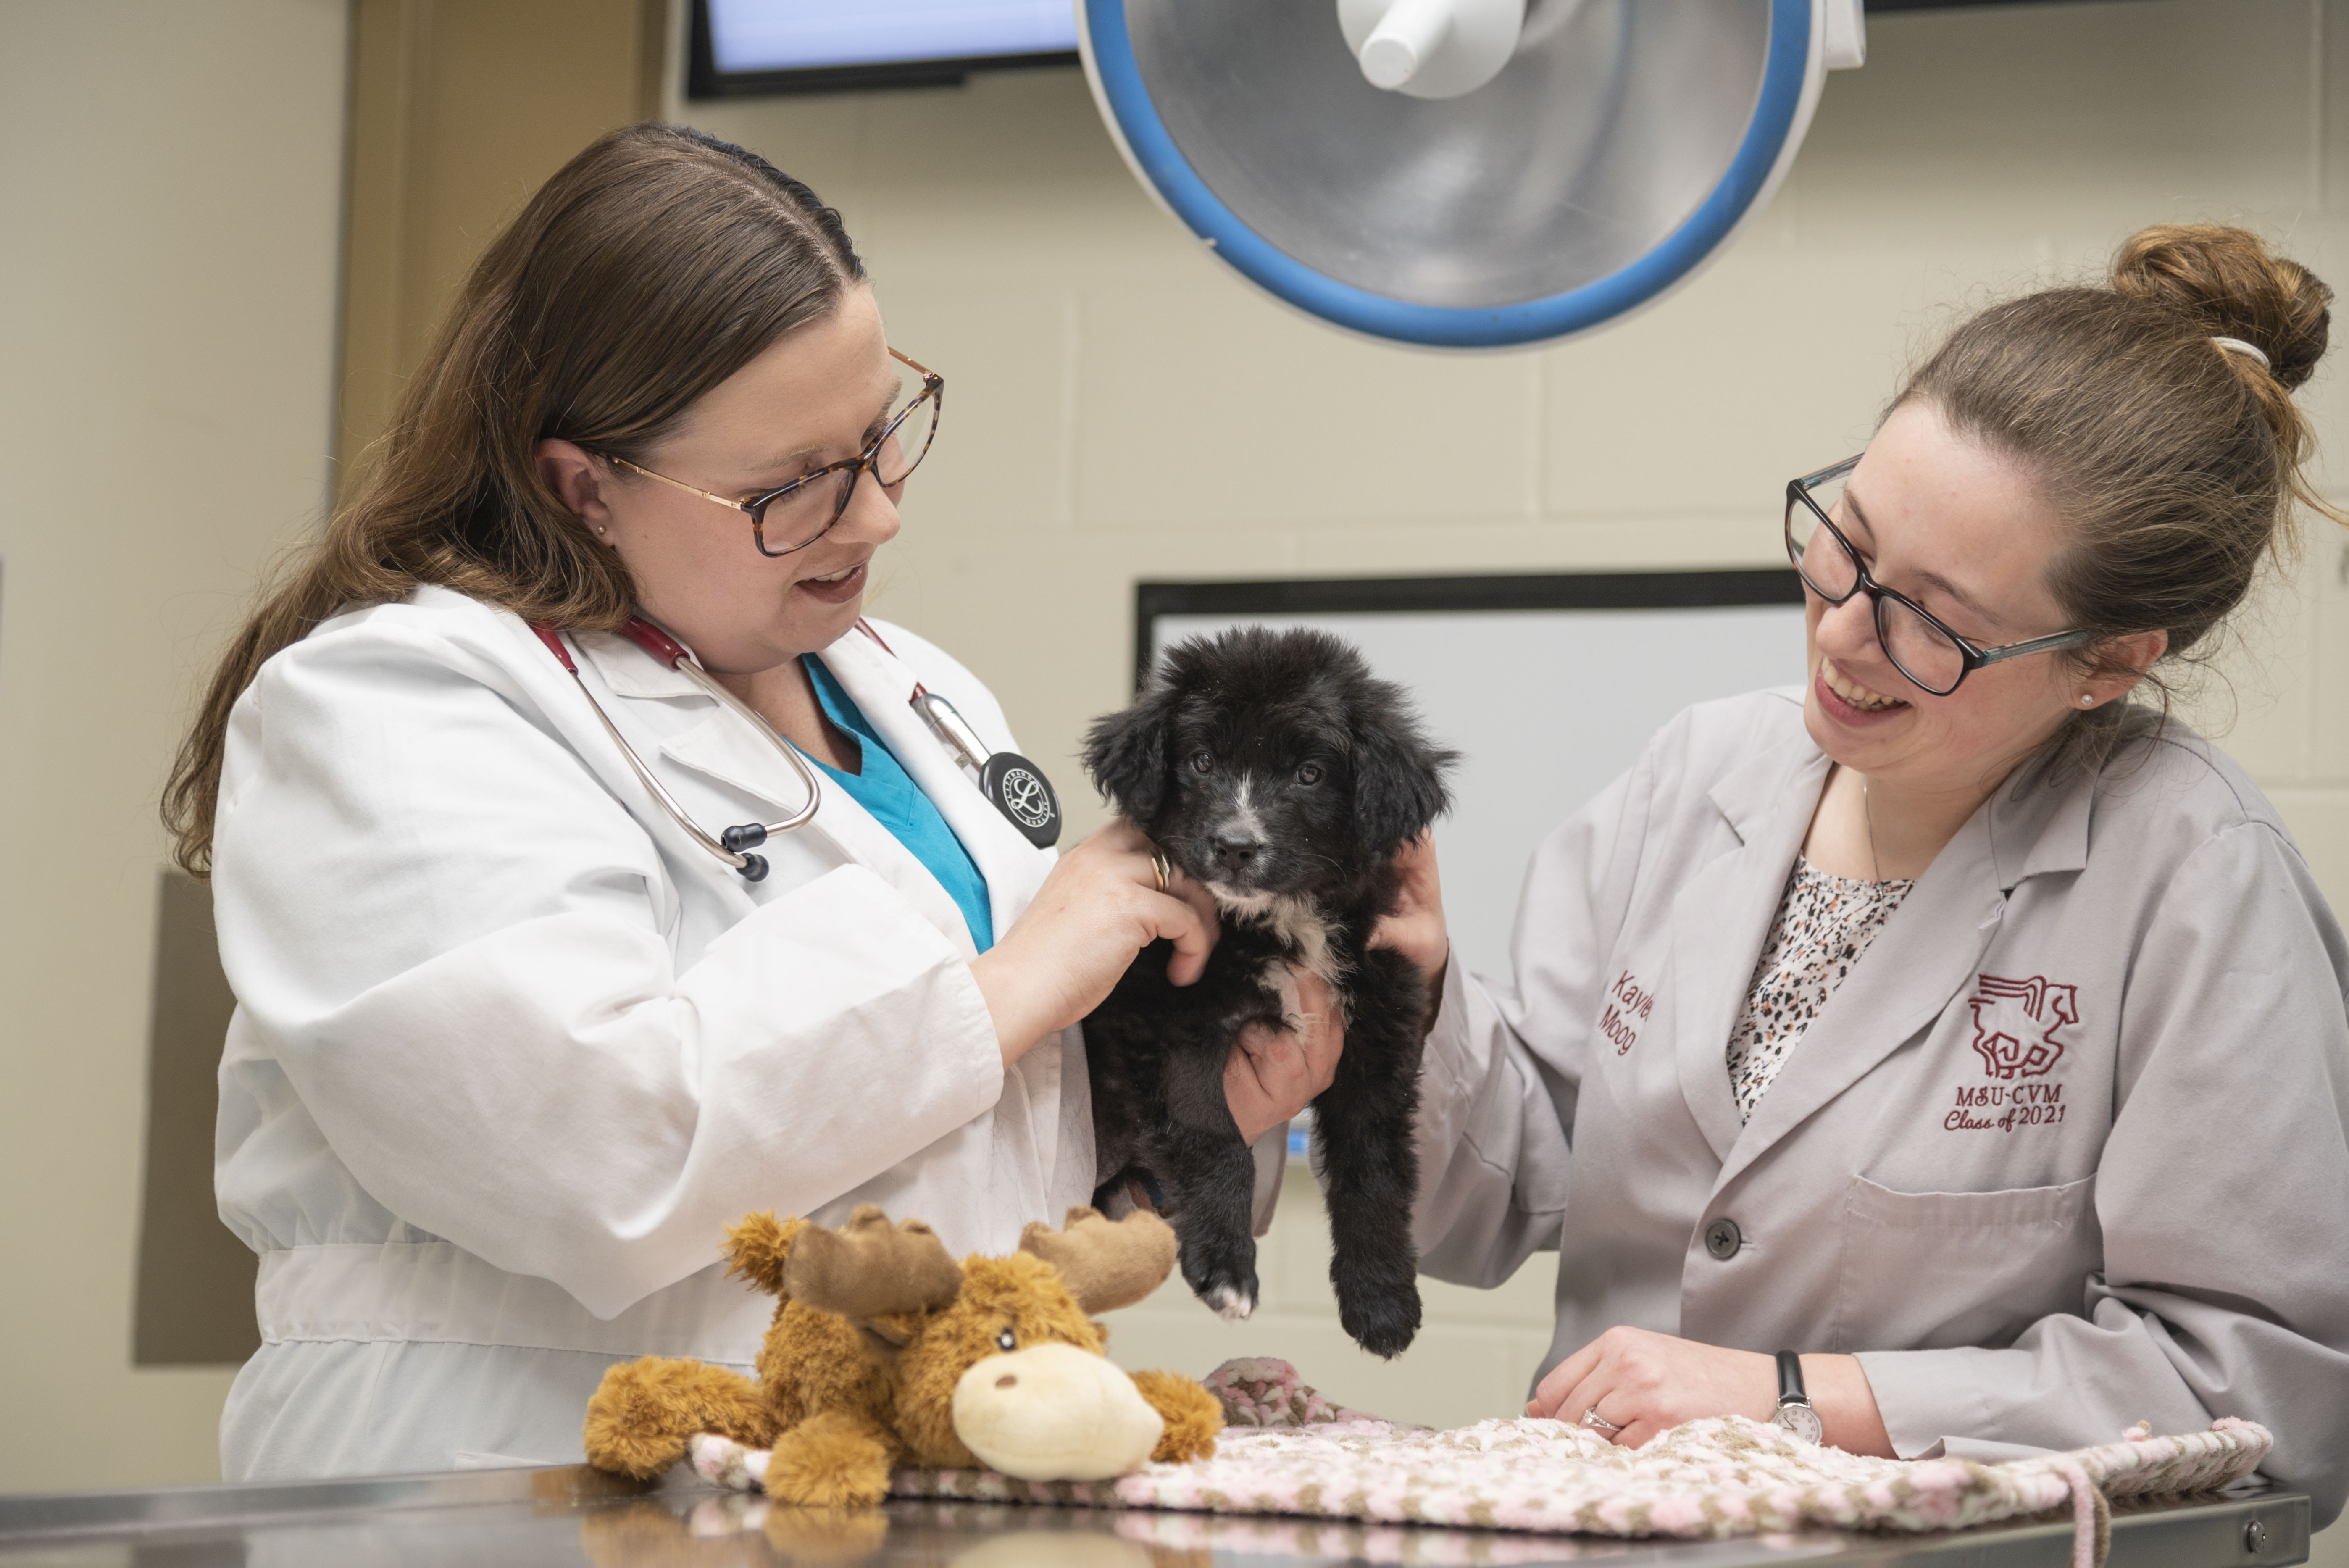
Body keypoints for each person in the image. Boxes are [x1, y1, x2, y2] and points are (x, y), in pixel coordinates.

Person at [167, 124, 1329, 1480]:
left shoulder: (914, 695)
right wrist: (1013, 987)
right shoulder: (391, 705)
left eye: (882, 436)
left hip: (898, 1460)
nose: (877, 516)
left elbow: (950, 1157)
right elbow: (597, 1147)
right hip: (513, 1464)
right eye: (793, 489)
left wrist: (1182, 1121)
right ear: (582, 485)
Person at [1370, 225, 2349, 1523]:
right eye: (1847, 542)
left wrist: (1795, 1396)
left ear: (2109, 661)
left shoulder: (2191, 873)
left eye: (1935, 620)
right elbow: (1512, 1184)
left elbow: (2256, 1384)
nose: (1842, 631)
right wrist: (1409, 1000)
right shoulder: (1703, 770)